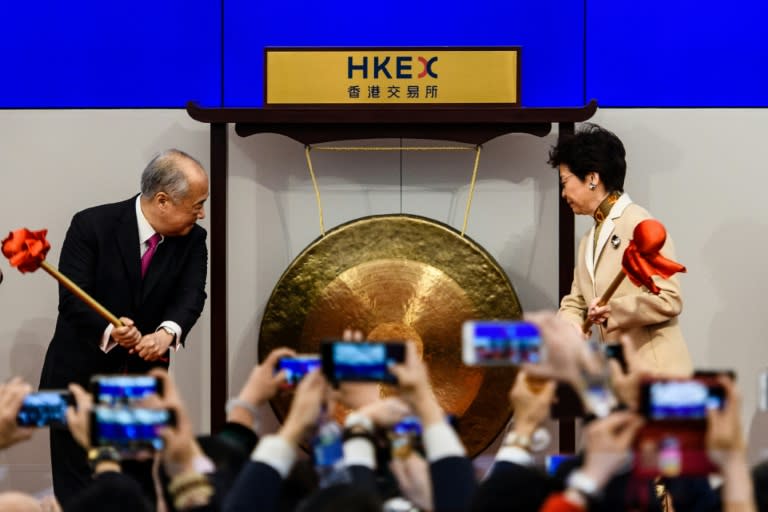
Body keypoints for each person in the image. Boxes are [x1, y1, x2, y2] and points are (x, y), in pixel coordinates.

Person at [39, 149, 209, 507]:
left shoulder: (193, 239)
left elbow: (192, 295)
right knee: (78, 494)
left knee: (136, 490)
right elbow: (73, 302)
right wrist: (110, 331)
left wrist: (165, 334)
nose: (201, 213)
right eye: (196, 204)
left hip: (139, 387)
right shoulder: (91, 225)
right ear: (163, 200)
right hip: (76, 382)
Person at [550, 124, 693, 376]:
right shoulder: (588, 240)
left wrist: (613, 311)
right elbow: (575, 303)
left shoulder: (640, 225)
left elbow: (669, 298)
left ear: (592, 179)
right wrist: (571, 325)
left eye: (565, 181)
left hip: (659, 376)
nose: (563, 193)